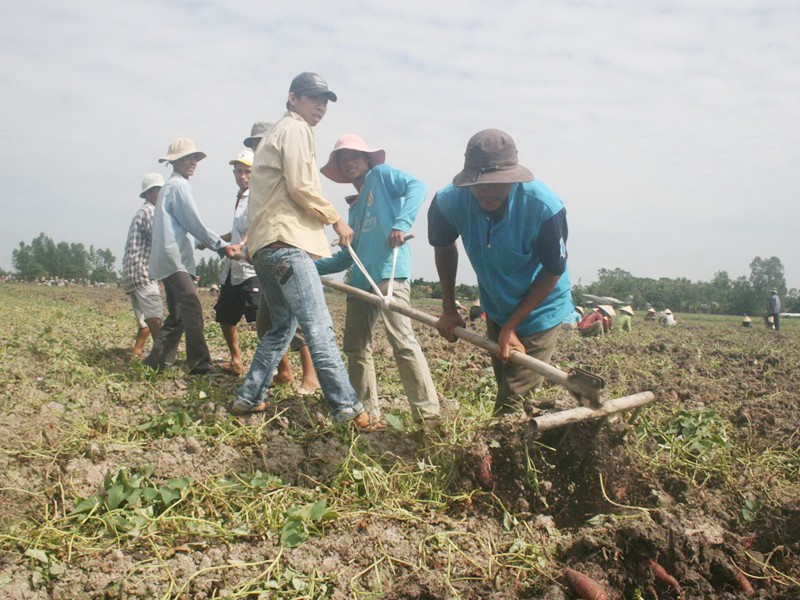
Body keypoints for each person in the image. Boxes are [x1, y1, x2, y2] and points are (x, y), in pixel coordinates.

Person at [229, 72, 371, 429]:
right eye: (312, 98)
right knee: (319, 327)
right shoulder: (295, 129)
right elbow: (301, 185)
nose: (320, 107)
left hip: (267, 248)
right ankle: (347, 408)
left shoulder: (276, 135)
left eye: (324, 101)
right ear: (293, 98)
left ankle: (249, 396)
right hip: (287, 244)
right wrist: (335, 218)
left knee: (279, 328)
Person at [428, 129, 573, 415]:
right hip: (496, 304)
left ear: (514, 177)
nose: (489, 192)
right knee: (506, 380)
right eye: (480, 185)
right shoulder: (448, 202)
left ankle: (500, 453)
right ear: (468, 179)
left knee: (514, 401)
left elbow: (553, 270)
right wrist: (448, 307)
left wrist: (512, 326)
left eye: (499, 184)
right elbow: (444, 247)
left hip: (540, 309)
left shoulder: (543, 207)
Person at [316, 134, 441, 429]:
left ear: (368, 159)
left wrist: (401, 224)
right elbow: (348, 257)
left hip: (389, 273)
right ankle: (366, 413)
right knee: (356, 347)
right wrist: (310, 267)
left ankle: (427, 415)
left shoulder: (382, 176)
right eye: (343, 159)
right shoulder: (354, 209)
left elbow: (417, 186)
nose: (349, 163)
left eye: (355, 156)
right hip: (360, 281)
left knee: (402, 340)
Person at [144, 138, 237, 375]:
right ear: (174, 161)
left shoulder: (171, 187)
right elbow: (193, 222)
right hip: (174, 260)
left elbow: (179, 229)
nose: (193, 162)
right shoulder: (178, 187)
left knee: (178, 315)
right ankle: (199, 364)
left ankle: (156, 362)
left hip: (170, 257)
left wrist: (202, 243)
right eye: (187, 158)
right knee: (192, 307)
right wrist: (220, 245)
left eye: (194, 158)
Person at [245, 121, 319, 393]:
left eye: (259, 142)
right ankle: (284, 371)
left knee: (295, 322)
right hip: (267, 255)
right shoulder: (260, 179)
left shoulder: (284, 169)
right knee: (267, 322)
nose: (257, 147)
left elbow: (301, 200)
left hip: (287, 251)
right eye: (253, 144)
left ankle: (310, 376)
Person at [212, 149, 259, 375]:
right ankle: (236, 360)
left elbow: (255, 225)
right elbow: (236, 232)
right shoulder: (239, 198)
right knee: (225, 315)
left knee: (262, 320)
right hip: (233, 267)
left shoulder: (258, 196)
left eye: (247, 171)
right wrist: (217, 241)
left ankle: (281, 369)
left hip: (251, 266)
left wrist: (243, 244)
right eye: (239, 171)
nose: (243, 176)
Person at [122, 173, 165, 359]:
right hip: (143, 272)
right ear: (148, 194)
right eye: (157, 191)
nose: (161, 195)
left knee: (145, 319)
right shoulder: (150, 211)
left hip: (132, 273)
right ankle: (162, 356)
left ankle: (138, 351)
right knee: (155, 316)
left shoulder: (142, 212)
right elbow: (159, 241)